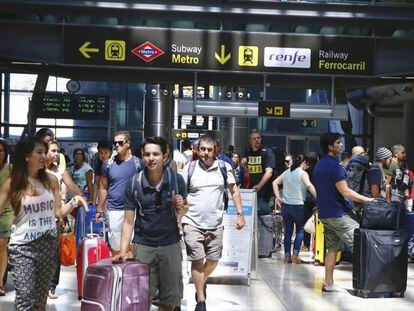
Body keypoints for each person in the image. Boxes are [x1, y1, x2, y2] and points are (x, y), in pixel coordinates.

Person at [0, 137, 82, 310]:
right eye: (39, 152)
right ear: (27, 156)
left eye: (45, 152)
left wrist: (75, 202)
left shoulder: (51, 180)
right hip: (22, 248)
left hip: (48, 246)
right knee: (25, 299)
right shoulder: (13, 182)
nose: (44, 156)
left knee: (39, 302)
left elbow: (58, 213)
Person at [113, 136, 188, 311]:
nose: (151, 158)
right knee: (141, 297)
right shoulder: (134, 183)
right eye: (147, 154)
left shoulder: (177, 180)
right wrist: (123, 251)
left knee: (169, 299)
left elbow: (184, 210)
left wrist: (181, 206)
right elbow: (128, 220)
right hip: (143, 245)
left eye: (156, 154)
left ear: (165, 155)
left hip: (170, 244)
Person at [182, 135, 245, 311]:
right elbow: (179, 194)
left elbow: (234, 191)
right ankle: (200, 300)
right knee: (197, 259)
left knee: (213, 259)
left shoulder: (224, 168)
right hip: (192, 222)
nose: (206, 153)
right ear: (197, 149)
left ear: (215, 150)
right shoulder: (189, 168)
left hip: (215, 223)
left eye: (210, 150)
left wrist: (240, 214)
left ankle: (201, 281)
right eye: (203, 149)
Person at [313, 133, 373, 293]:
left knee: (332, 249)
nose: (341, 145)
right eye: (338, 143)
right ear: (330, 146)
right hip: (338, 214)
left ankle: (329, 283)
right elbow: (346, 191)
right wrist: (369, 200)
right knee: (361, 245)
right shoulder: (335, 166)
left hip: (325, 214)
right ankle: (364, 286)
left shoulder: (319, 165)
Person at [46, 139, 88, 299]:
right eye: (53, 151)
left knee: (56, 252)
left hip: (57, 215)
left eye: (57, 151)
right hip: (37, 218)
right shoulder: (36, 171)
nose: (56, 154)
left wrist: (81, 197)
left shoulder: (60, 170)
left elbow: (71, 185)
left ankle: (51, 286)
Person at [97, 131, 144, 256]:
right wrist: (99, 209)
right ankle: (119, 272)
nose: (117, 145)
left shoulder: (139, 164)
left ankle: (130, 273)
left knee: (131, 245)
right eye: (115, 143)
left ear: (128, 143)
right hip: (114, 210)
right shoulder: (108, 164)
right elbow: (103, 187)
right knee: (116, 246)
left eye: (120, 142)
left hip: (134, 210)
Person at [273, 155, 317, 264]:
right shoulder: (303, 173)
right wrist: (319, 197)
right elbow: (309, 185)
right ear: (305, 163)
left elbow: (274, 182)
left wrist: (278, 197)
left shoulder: (287, 172)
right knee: (300, 230)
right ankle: (295, 255)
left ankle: (287, 256)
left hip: (286, 206)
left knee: (288, 231)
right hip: (298, 205)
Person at [242, 129, 275, 213]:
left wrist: (259, 186)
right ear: (250, 140)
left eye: (258, 138)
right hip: (252, 192)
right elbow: (248, 170)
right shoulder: (248, 152)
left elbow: (269, 172)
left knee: (266, 217)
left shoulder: (267, 152)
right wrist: (244, 164)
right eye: (254, 138)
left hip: (265, 193)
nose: (257, 140)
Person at [0, 139, 12, 296]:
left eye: (1, 150)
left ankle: (0, 283)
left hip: (7, 211)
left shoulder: (11, 169)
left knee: (2, 246)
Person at [301, 151, 319, 251]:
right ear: (318, 159)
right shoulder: (321, 171)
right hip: (318, 199)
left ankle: (306, 245)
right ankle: (317, 245)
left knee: (306, 222)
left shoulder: (305, 172)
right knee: (318, 223)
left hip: (307, 199)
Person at [92, 140, 113, 205]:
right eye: (101, 153)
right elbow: (96, 183)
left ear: (111, 152)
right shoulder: (99, 164)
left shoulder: (115, 164)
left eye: (106, 153)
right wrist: (94, 201)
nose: (103, 156)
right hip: (102, 195)